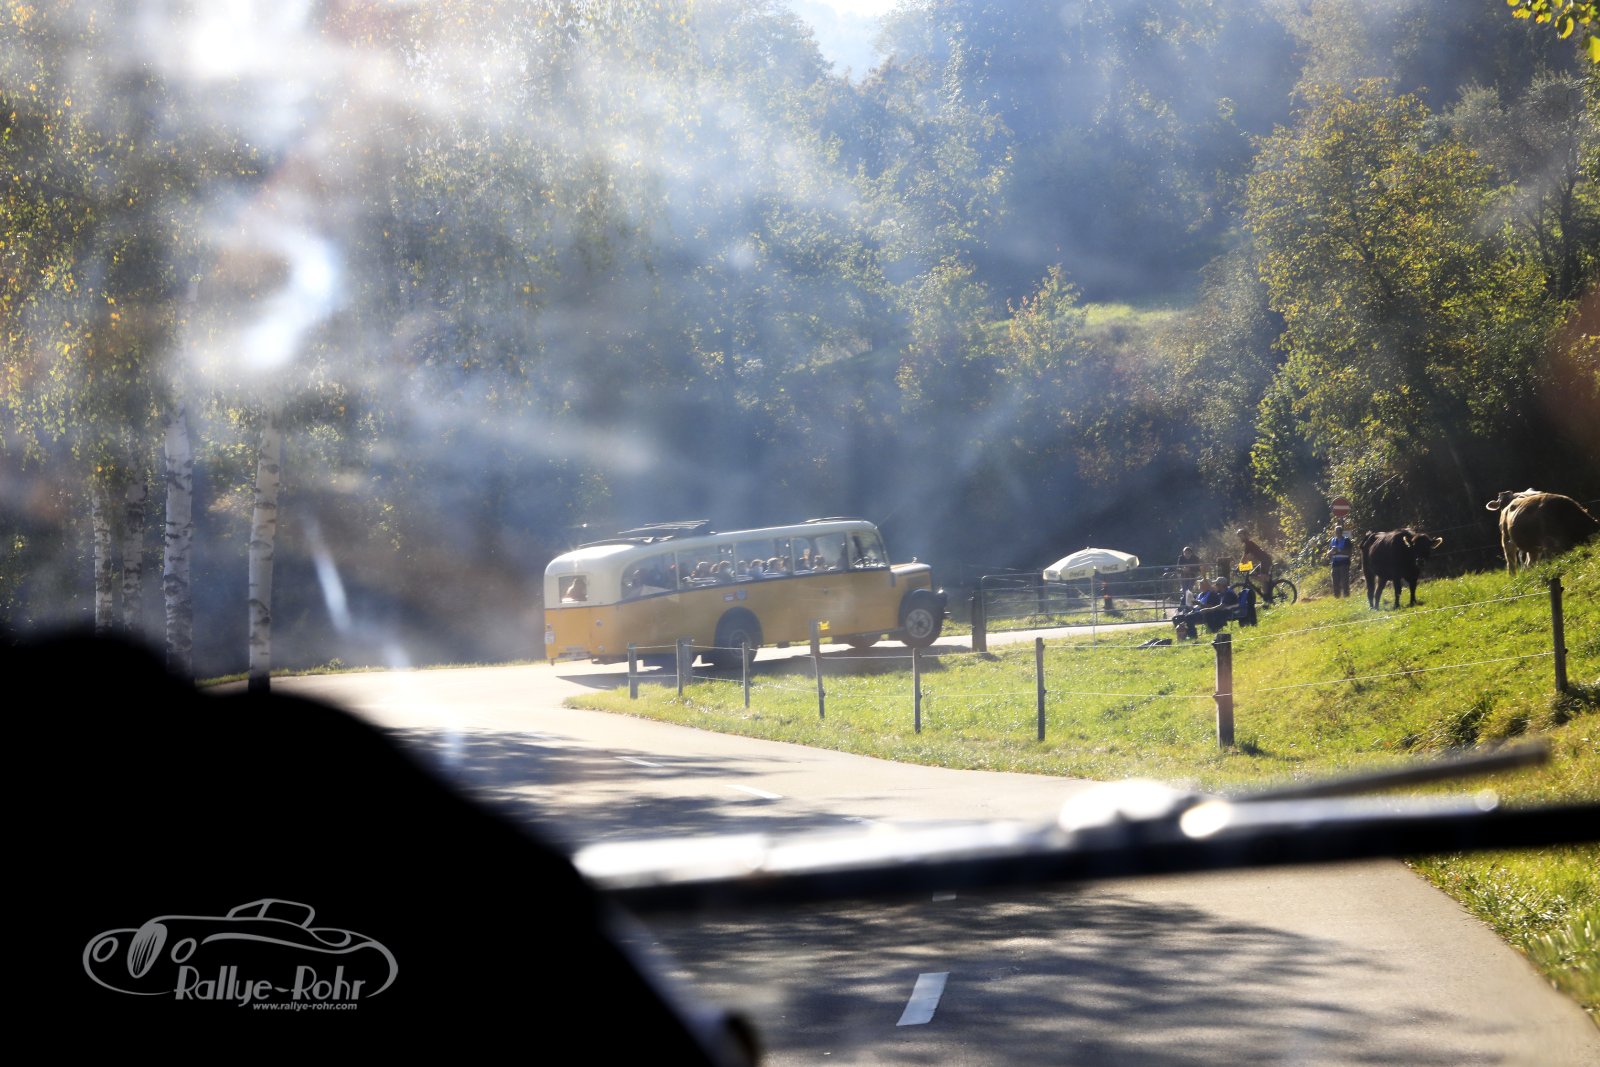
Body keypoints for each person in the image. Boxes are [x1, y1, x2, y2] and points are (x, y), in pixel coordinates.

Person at [1237, 529, 1275, 601]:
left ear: (1245, 535)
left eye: (1241, 536)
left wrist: (1239, 567)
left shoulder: (1249, 544)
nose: (1240, 538)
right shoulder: (1248, 544)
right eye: (1239, 536)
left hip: (1265, 560)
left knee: (1262, 578)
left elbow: (1244, 557)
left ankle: (1267, 598)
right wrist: (1243, 567)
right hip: (1262, 561)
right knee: (1252, 574)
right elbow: (1249, 558)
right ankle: (1268, 582)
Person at [1329, 524, 1353, 598]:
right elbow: (1328, 552)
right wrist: (1331, 551)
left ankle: (1346, 596)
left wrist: (1338, 550)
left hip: (1344, 563)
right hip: (1335, 564)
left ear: (1341, 532)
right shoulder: (1332, 540)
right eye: (1336, 531)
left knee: (1344, 581)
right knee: (1335, 582)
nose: (1337, 533)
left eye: (1338, 531)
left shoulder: (1346, 540)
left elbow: (1349, 552)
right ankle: (1337, 597)